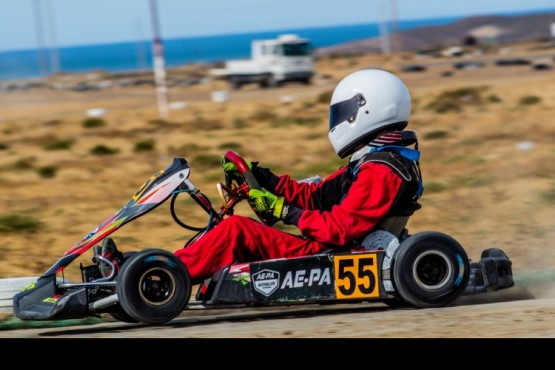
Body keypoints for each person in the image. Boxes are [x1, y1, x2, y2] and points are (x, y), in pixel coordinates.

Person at [173, 68, 424, 285]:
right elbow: (314, 197)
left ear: (368, 109)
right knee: (232, 229)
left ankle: (169, 274)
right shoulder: (369, 163)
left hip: (330, 253)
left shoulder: (381, 170)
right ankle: (163, 267)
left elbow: (339, 229)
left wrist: (285, 212)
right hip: (327, 246)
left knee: (236, 229)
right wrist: (262, 176)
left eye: (342, 112)